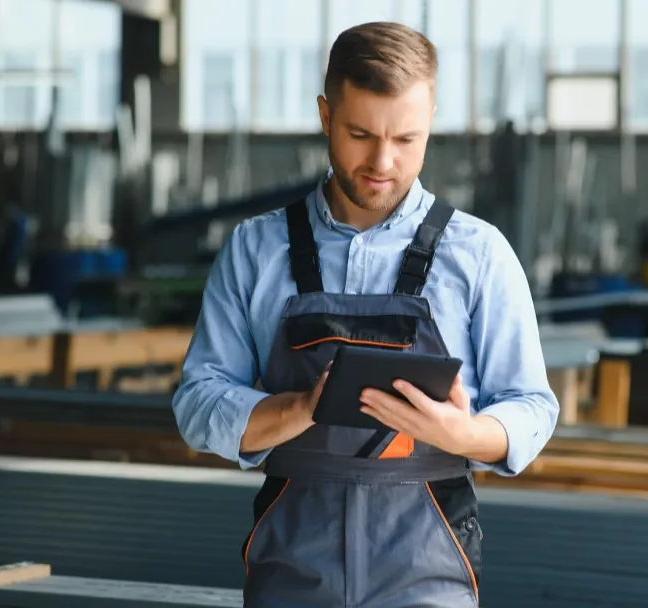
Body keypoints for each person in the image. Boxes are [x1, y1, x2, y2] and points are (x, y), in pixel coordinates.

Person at [171, 21, 560, 608]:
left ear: (431, 123)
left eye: (407, 139)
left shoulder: (480, 254)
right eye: (360, 134)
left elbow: (532, 406)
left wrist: (465, 433)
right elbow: (198, 403)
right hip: (292, 567)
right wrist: (299, 409)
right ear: (326, 116)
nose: (383, 161)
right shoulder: (255, 250)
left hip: (426, 566)